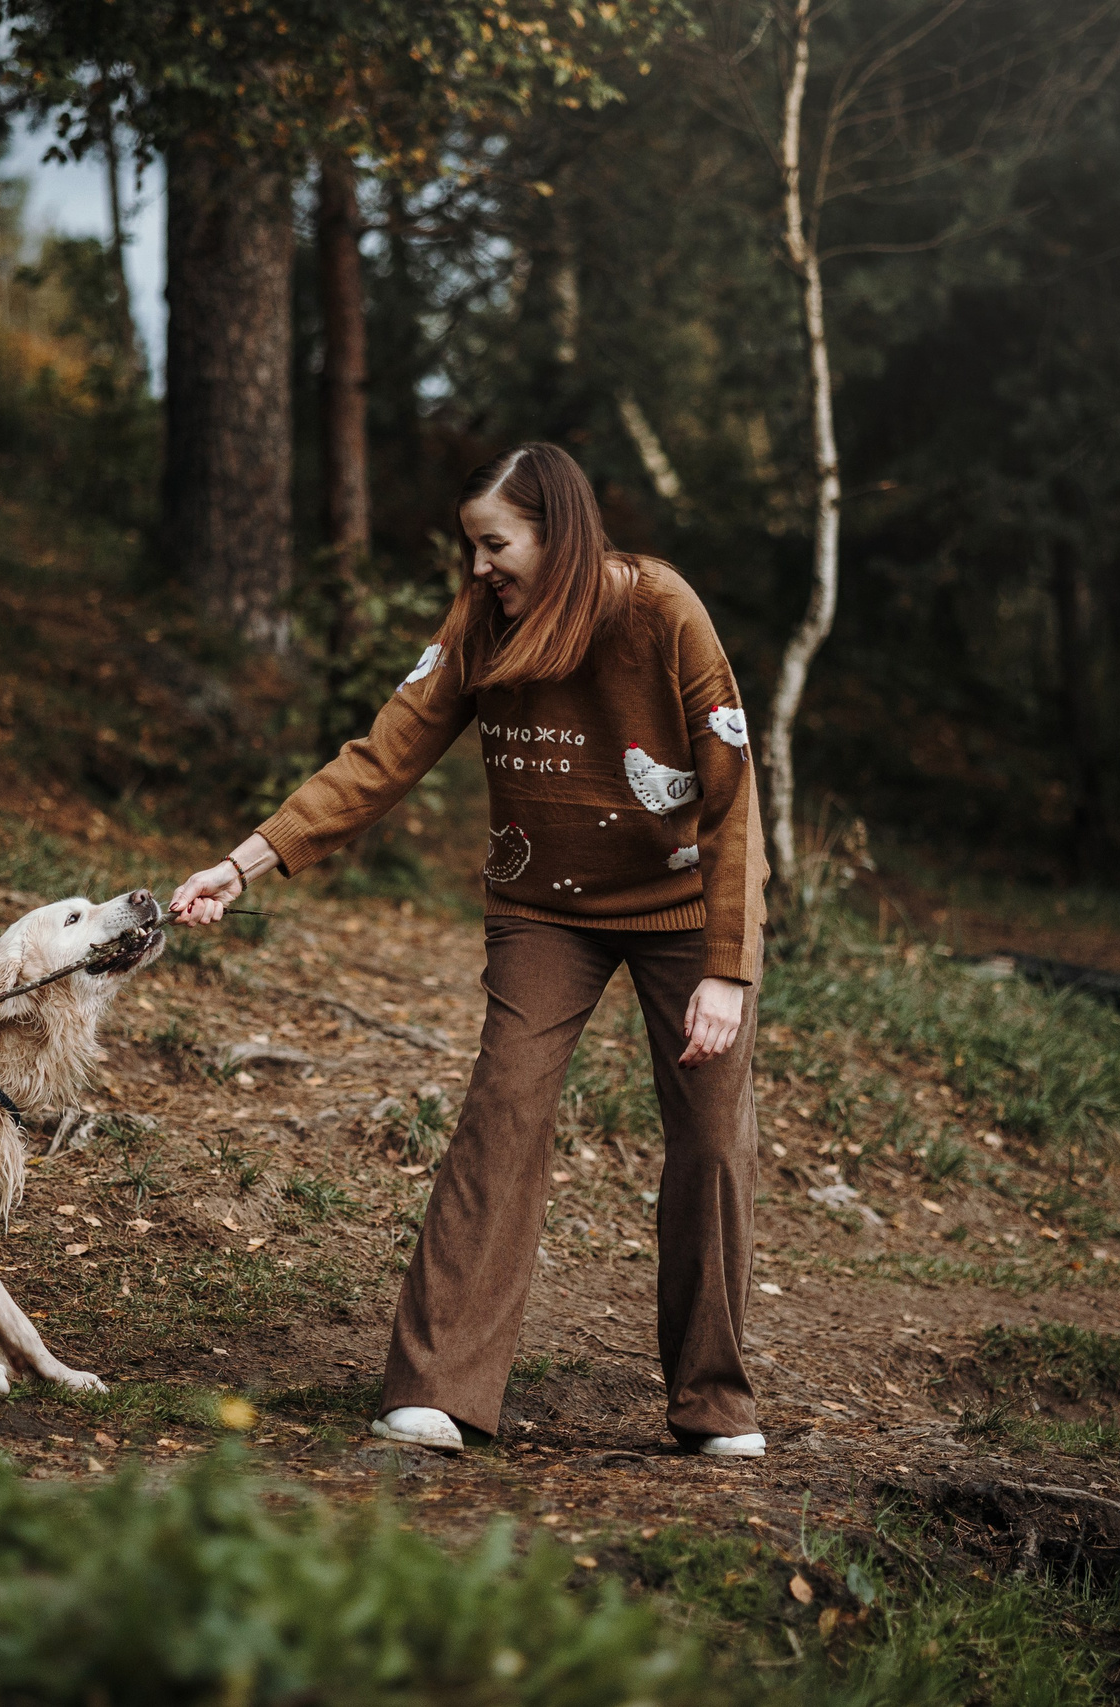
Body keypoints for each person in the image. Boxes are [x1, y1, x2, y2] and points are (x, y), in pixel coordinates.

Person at [169, 443, 769, 1456]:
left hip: (682, 908)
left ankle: (714, 1401)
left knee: (711, 1141)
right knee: (503, 1110)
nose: (480, 566)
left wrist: (725, 968)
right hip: (543, 907)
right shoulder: (480, 626)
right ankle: (437, 1386)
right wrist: (245, 863)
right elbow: (382, 755)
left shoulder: (663, 611)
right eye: (472, 548)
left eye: (496, 544)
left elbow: (732, 793)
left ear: (557, 533)